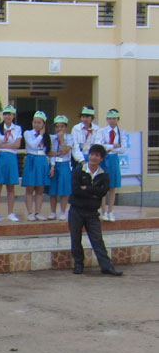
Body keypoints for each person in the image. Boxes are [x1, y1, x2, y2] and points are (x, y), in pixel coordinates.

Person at [68, 144, 122, 276]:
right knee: (75, 238)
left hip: (92, 212)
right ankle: (79, 264)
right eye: (92, 154)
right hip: (76, 210)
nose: (93, 157)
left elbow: (103, 192)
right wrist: (93, 193)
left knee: (97, 239)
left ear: (101, 158)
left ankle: (106, 266)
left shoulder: (104, 175)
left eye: (97, 155)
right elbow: (75, 191)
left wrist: (86, 188)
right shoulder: (78, 171)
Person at [0, 105, 22, 222]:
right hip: (0, 157)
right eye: (5, 114)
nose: (7, 116)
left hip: (11, 158)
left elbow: (17, 145)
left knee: (10, 187)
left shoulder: (17, 129)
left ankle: (10, 213)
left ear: (13, 116)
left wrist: (4, 145)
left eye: (10, 114)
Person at [22, 111, 52, 221]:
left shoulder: (47, 136)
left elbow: (48, 151)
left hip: (42, 161)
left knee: (40, 189)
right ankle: (30, 212)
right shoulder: (27, 133)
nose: (36, 125)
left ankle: (38, 212)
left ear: (44, 124)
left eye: (39, 123)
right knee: (30, 188)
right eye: (35, 122)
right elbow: (33, 145)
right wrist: (40, 135)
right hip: (31, 159)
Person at [97, 109, 127, 221]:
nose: (112, 121)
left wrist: (109, 147)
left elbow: (123, 149)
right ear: (106, 119)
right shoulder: (102, 131)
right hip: (104, 159)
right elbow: (100, 145)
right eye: (109, 118)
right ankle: (103, 210)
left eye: (114, 118)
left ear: (118, 119)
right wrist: (113, 146)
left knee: (112, 186)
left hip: (114, 159)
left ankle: (111, 211)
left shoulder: (121, 132)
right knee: (102, 185)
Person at [47, 115, 74, 221]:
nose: (59, 129)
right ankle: (53, 212)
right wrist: (52, 166)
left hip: (64, 164)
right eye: (57, 127)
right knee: (52, 190)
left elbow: (65, 151)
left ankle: (63, 211)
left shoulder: (70, 137)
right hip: (54, 164)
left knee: (64, 189)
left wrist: (62, 140)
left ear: (65, 127)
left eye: (61, 126)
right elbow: (50, 153)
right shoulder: (52, 138)